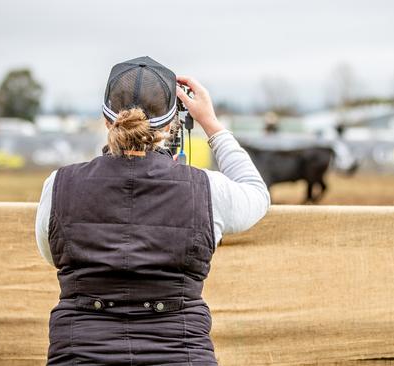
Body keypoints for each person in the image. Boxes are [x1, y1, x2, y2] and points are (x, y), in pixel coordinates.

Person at [35, 56, 270, 365]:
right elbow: (256, 192)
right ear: (173, 124)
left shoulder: (59, 184)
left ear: (108, 120)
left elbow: (52, 254)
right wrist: (211, 124)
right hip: (182, 354)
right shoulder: (207, 189)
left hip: (79, 354)